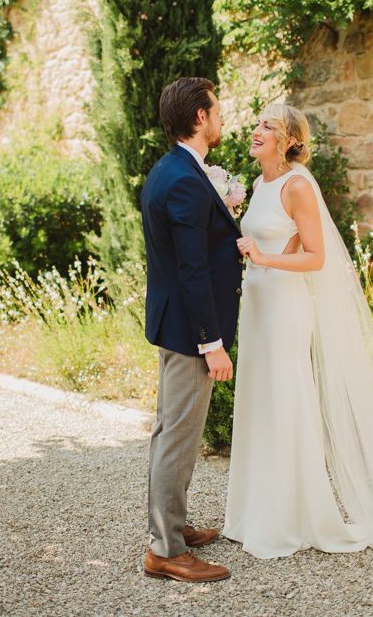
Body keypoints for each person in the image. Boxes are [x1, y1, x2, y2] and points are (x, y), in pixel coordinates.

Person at [226, 102, 373, 602]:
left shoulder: (297, 184)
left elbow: (316, 256)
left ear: (289, 140)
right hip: (258, 308)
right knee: (259, 405)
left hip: (285, 311)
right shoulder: (257, 184)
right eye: (258, 122)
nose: (257, 130)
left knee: (287, 403)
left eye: (268, 125)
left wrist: (260, 257)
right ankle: (253, 513)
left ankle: (291, 519)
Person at [140, 77, 242, 582]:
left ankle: (172, 529)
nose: (222, 119)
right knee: (179, 436)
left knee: (170, 431)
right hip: (189, 330)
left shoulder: (176, 169)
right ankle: (165, 550)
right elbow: (190, 269)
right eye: (217, 111)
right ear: (200, 117)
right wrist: (212, 342)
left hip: (175, 323)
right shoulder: (182, 177)